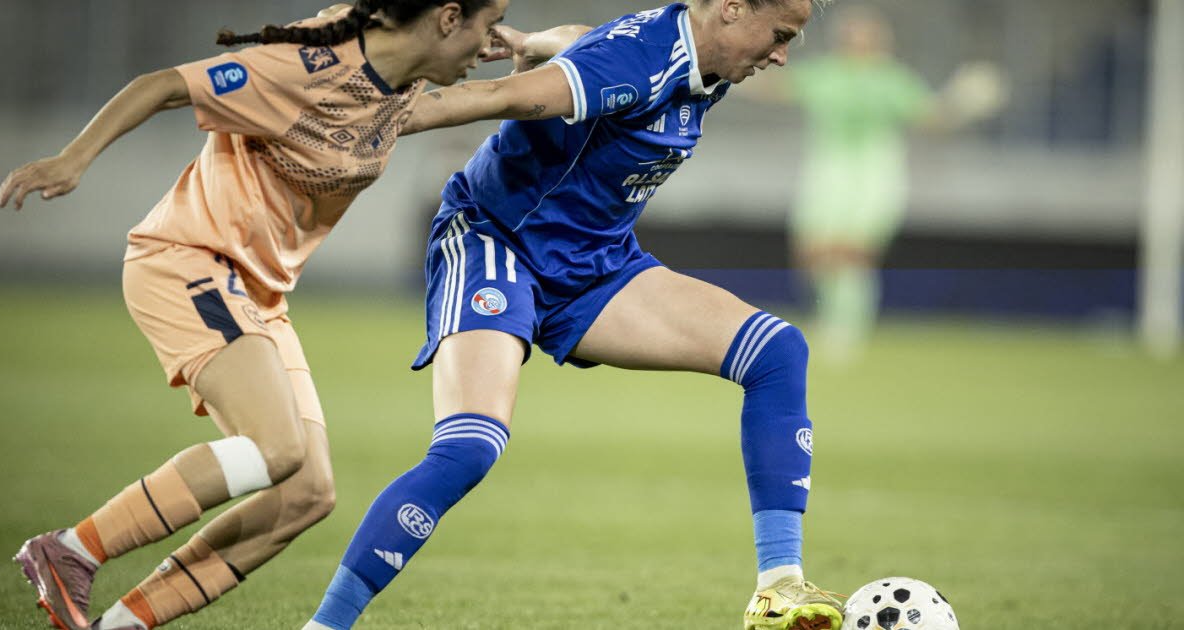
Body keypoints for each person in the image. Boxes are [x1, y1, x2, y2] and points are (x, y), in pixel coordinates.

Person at [304, 1, 844, 629]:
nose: (781, 55)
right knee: (469, 448)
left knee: (776, 352)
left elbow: (585, 42)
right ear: (731, 10)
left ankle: (778, 589)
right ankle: (326, 625)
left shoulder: (704, 59)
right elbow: (499, 97)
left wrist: (534, 39)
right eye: (779, 36)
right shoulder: (639, 60)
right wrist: (358, 116)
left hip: (595, 264)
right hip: (498, 244)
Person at [0, 1, 509, 628]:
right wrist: (73, 159)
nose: (492, 40)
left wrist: (528, 54)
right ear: (448, 18)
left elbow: (463, 98)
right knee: (276, 447)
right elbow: (161, 85)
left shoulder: (401, 82)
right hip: (190, 260)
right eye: (489, 22)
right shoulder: (305, 68)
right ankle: (71, 550)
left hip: (259, 294)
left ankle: (118, 626)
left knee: (307, 494)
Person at [749, 5, 1007, 363]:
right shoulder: (828, 73)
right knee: (813, 253)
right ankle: (829, 315)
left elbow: (930, 117)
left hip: (874, 173)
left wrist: (962, 102)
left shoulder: (891, 80)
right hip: (827, 169)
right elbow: (778, 87)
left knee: (852, 252)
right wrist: (724, 63)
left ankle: (845, 329)